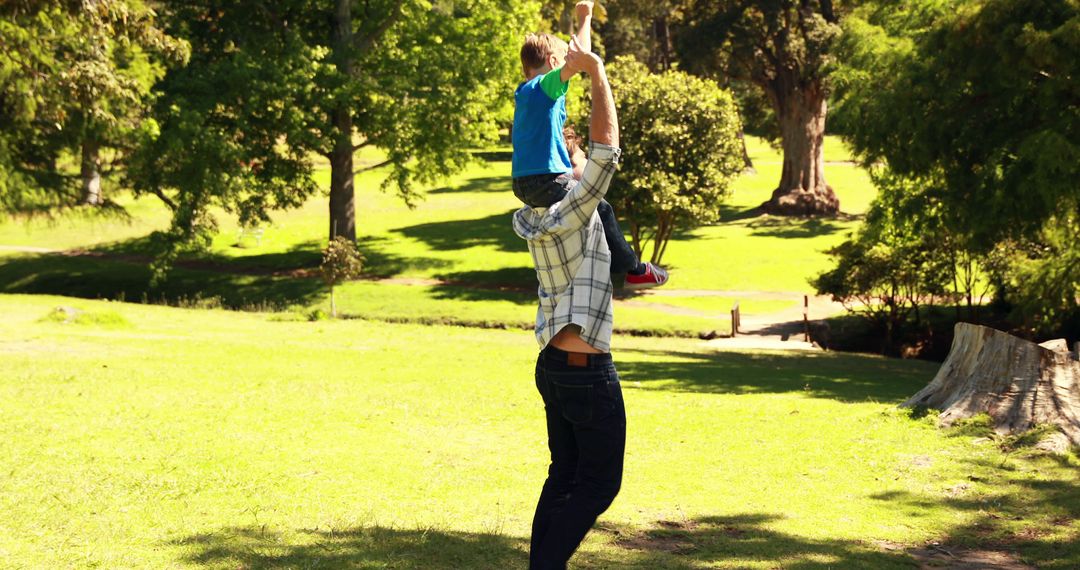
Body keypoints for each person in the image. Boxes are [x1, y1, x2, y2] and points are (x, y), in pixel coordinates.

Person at [512, 40, 626, 569]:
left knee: (563, 475)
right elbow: (605, 148)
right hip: (585, 370)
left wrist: (581, 25)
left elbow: (579, 159)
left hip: (552, 365)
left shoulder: (536, 218)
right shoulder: (579, 207)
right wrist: (597, 74)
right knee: (599, 483)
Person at [512, 1, 668, 291]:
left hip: (523, 184)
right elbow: (581, 59)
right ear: (554, 63)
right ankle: (633, 270)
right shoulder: (546, 87)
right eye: (563, 58)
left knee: (579, 214)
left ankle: (584, 265)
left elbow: (576, 59)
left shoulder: (524, 92)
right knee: (599, 204)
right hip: (547, 180)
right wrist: (585, 17)